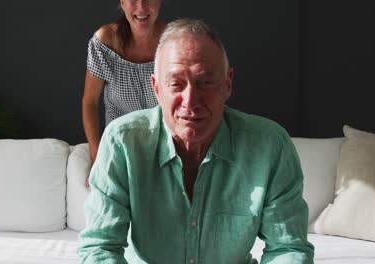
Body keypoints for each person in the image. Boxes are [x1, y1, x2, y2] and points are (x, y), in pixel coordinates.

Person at [79, 18, 314, 263]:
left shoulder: (270, 146)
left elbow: (288, 249)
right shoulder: (122, 142)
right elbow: (100, 249)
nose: (190, 101)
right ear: (156, 88)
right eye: (176, 84)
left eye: (205, 82)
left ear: (228, 83)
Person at [82, 0, 165, 187]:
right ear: (122, 2)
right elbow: (90, 102)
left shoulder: (172, 41)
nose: (141, 6)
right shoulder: (105, 40)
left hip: (164, 146)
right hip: (120, 145)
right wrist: (97, 159)